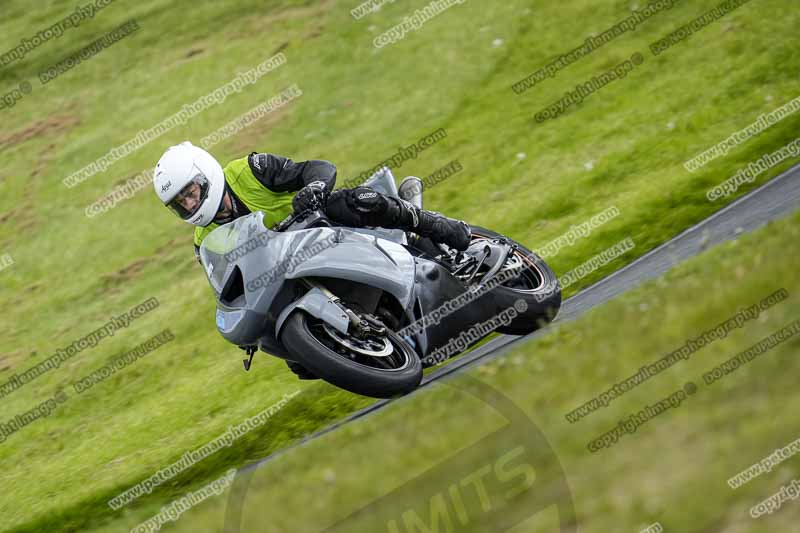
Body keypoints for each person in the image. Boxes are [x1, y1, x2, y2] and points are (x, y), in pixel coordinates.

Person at [152, 141, 471, 379]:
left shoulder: (248, 171)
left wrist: (314, 189)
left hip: (317, 227)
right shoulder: (202, 242)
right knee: (297, 362)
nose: (190, 204)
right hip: (282, 275)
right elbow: (226, 287)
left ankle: (433, 226)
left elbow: (317, 169)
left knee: (359, 200)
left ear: (205, 175)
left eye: (190, 192)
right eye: (180, 202)